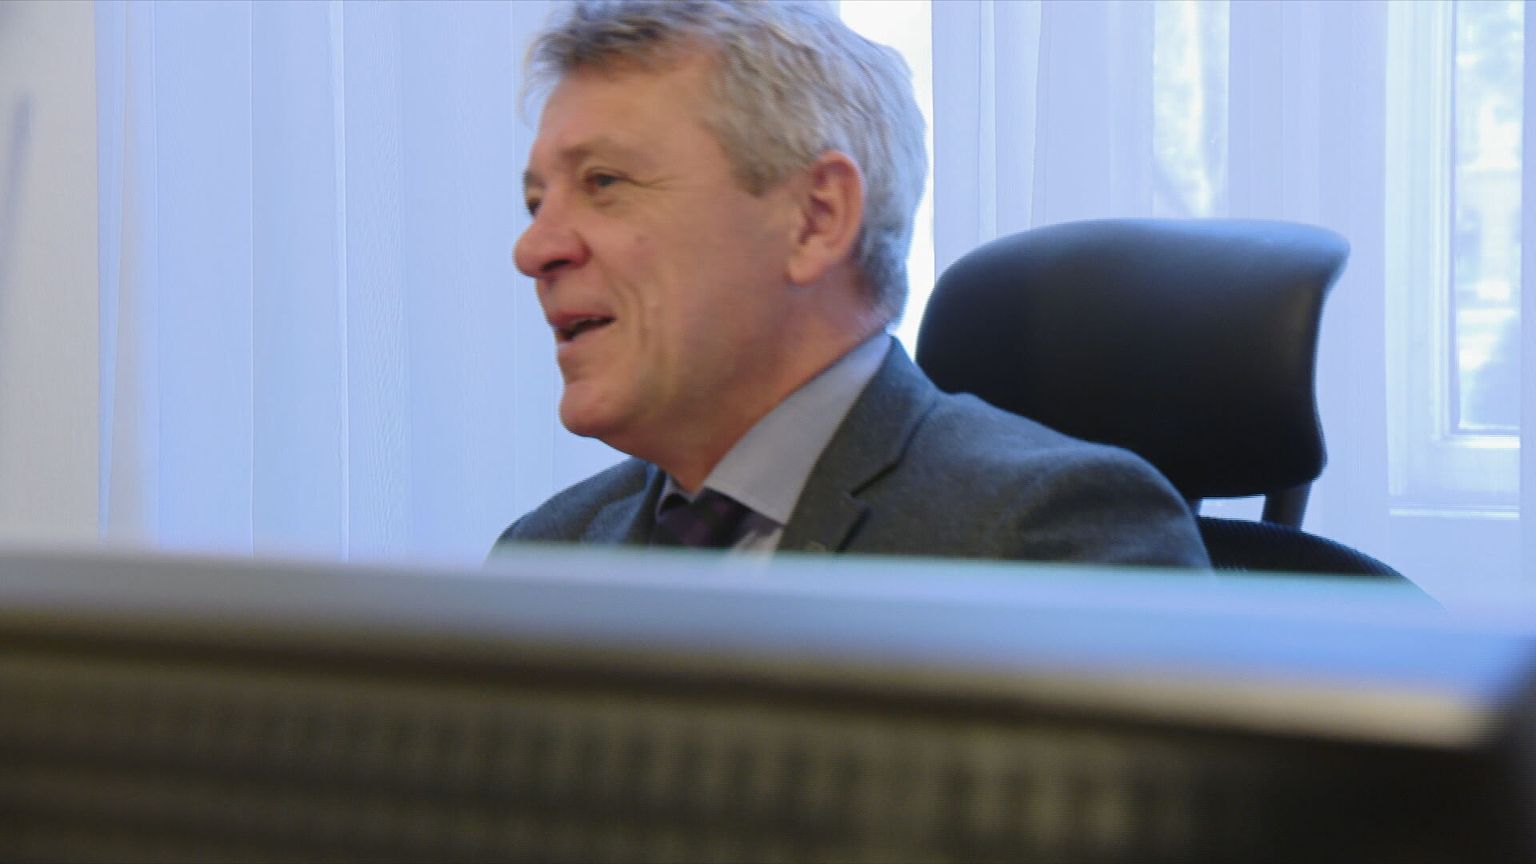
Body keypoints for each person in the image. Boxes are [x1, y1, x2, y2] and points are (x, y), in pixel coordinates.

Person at [493, 0, 1209, 567]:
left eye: (605, 182)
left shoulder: (1046, 537)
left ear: (816, 218)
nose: (534, 250)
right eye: (535, 203)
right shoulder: (549, 554)